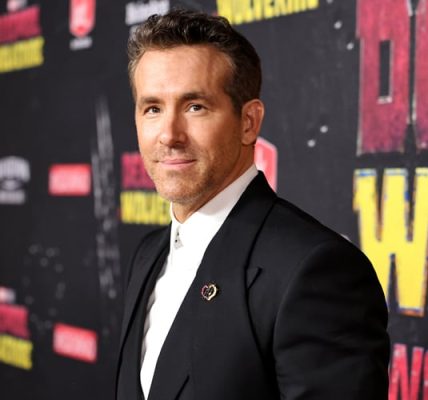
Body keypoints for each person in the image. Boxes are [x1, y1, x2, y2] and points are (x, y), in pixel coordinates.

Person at [116, 9, 389, 400]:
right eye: (153, 108)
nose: (169, 135)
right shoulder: (148, 255)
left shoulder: (316, 270)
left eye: (195, 107)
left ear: (249, 121)